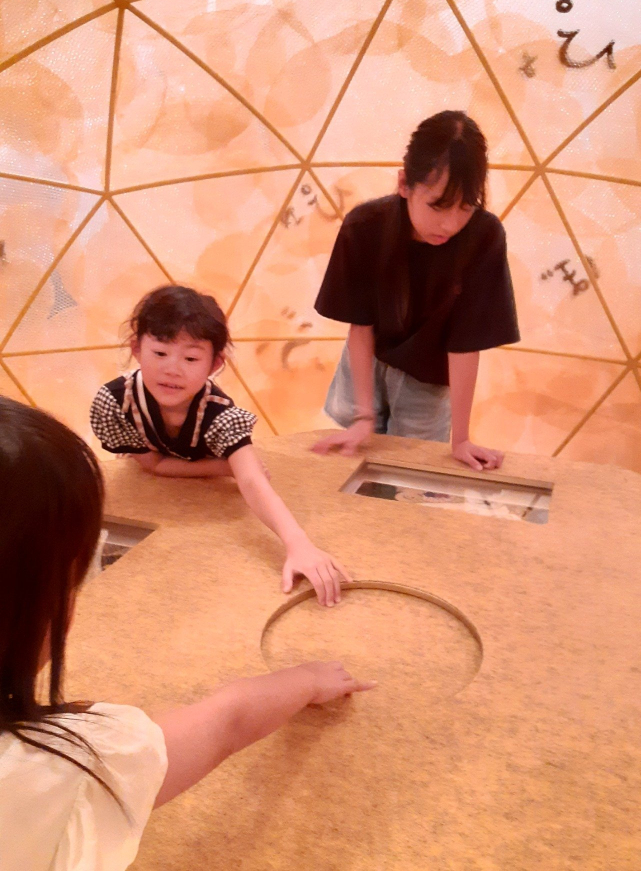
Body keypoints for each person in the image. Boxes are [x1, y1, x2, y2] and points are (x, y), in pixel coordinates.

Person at [0, 396, 375, 871]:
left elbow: (245, 475)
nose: (172, 368)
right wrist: (309, 679)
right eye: (72, 580)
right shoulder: (65, 769)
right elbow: (224, 722)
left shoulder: (220, 416)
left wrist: (293, 537)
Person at [90, 285, 348, 607]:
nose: (172, 369)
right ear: (137, 349)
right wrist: (223, 468)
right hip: (155, 504)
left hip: (213, 511)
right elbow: (151, 465)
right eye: (159, 353)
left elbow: (252, 480)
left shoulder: (219, 415)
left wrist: (299, 544)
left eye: (191, 358)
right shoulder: (115, 402)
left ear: (214, 364)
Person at [313, 110, 520, 472]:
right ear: (404, 184)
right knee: (350, 464)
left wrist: (461, 439)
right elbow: (361, 326)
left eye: (465, 207)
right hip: (367, 356)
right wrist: (363, 416)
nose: (450, 223)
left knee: (409, 472)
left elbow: (465, 343)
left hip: (429, 374)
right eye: (438, 205)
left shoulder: (484, 237)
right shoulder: (365, 226)